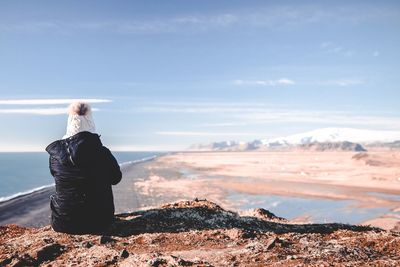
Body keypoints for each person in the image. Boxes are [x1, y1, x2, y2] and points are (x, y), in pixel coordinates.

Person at [45, 101, 122, 234]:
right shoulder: (102, 153)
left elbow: (57, 176)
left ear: (70, 122)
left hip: (63, 224)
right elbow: (116, 178)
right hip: (100, 223)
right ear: (91, 122)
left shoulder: (55, 156)